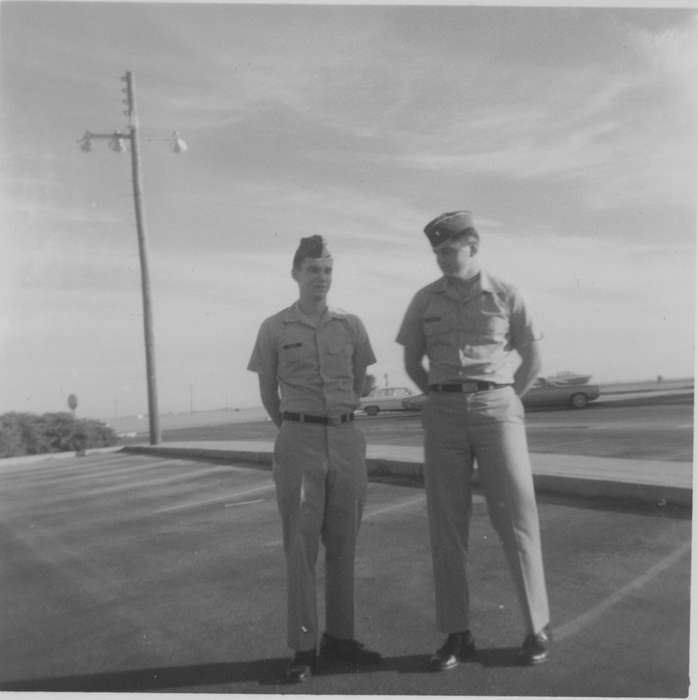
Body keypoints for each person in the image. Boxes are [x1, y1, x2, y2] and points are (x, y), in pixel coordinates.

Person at [396, 210, 551, 670]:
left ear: (473, 246)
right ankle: (457, 634)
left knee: (517, 518)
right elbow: (411, 362)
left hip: (497, 408)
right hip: (443, 412)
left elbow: (533, 358)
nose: (444, 258)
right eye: (438, 251)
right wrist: (439, 397)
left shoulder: (508, 294)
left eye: (451, 249)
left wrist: (506, 400)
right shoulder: (424, 300)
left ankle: (536, 627)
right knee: (446, 526)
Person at [247, 235, 382, 682]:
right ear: (295, 273)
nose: (321, 278)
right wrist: (297, 426)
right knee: (301, 547)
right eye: (313, 270)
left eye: (327, 270)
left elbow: (362, 380)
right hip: (299, 440)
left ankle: (340, 639)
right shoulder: (274, 328)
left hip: (346, 439)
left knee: (344, 544)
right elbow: (268, 394)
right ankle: (304, 647)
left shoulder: (352, 325)